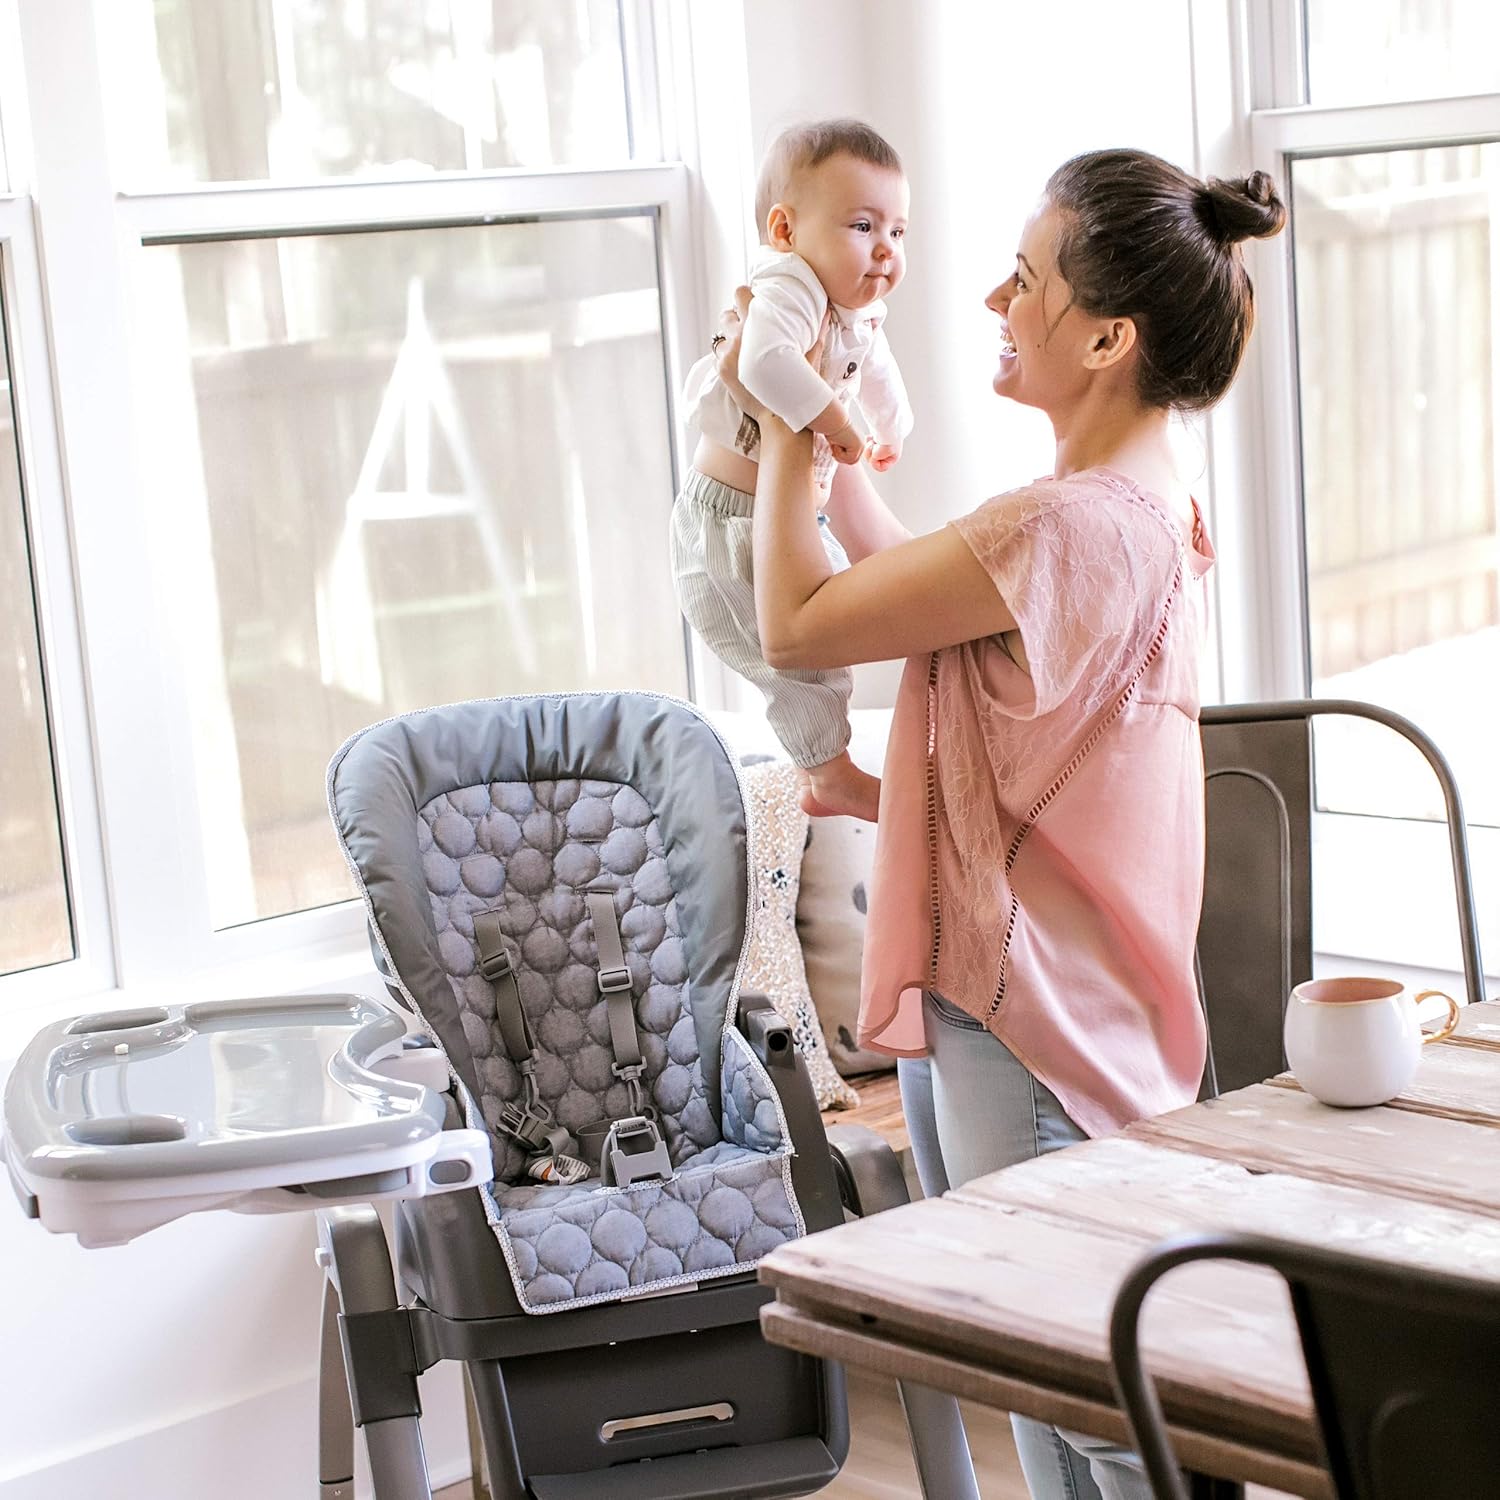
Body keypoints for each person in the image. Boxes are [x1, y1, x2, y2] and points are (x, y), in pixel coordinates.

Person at [717, 147, 1287, 1500]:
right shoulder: (1136, 515)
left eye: (1023, 280)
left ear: (1107, 334)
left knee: (1091, 1408)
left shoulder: (1062, 530)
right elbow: (927, 597)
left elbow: (797, 618)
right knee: (1043, 1394)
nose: (989, 297)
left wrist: (786, 408)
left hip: (1031, 1030)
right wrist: (834, 411)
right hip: (1051, 1014)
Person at [672, 118, 913, 823]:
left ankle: (827, 765)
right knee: (804, 668)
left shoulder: (851, 307)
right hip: (730, 524)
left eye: (898, 231)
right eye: (863, 225)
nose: (885, 251)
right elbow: (762, 364)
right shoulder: (788, 287)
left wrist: (891, 424)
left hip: (782, 515)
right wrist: (835, 424)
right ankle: (829, 773)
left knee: (830, 643)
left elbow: (877, 366)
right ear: (785, 229)